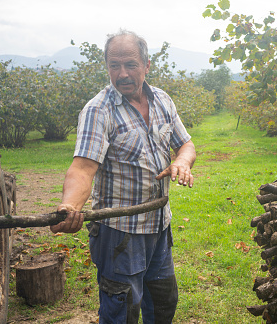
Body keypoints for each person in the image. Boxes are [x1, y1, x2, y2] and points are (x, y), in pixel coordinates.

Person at [50, 29, 196, 324]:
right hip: (120, 233)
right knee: (122, 312)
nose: (122, 73)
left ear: (146, 65)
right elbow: (82, 168)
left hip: (158, 224)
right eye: (114, 66)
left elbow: (186, 143)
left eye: (130, 64)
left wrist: (182, 161)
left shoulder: (163, 101)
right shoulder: (98, 110)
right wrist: (70, 206)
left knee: (164, 302)